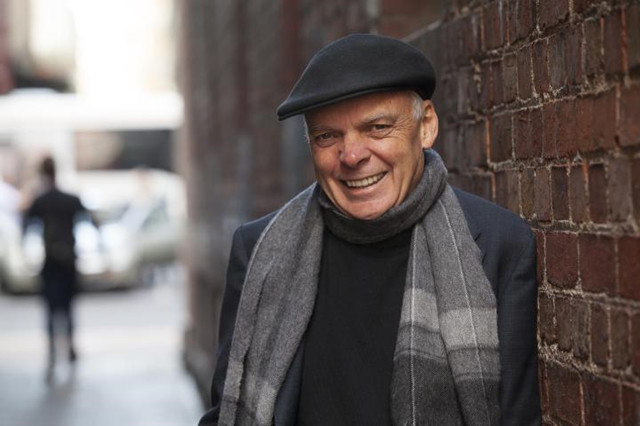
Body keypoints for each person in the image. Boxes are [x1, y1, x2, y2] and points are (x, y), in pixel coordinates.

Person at [199, 34, 540, 426]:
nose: (352, 155)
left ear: (426, 126)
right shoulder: (258, 250)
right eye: (327, 136)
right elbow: (226, 412)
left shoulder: (498, 244)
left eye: (377, 127)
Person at [23, 156, 88, 380]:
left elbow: (26, 225)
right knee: (68, 308)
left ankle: (53, 350)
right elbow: (89, 220)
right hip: (68, 260)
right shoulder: (70, 199)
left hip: (51, 261)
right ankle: (69, 347)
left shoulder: (41, 201)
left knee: (52, 310)